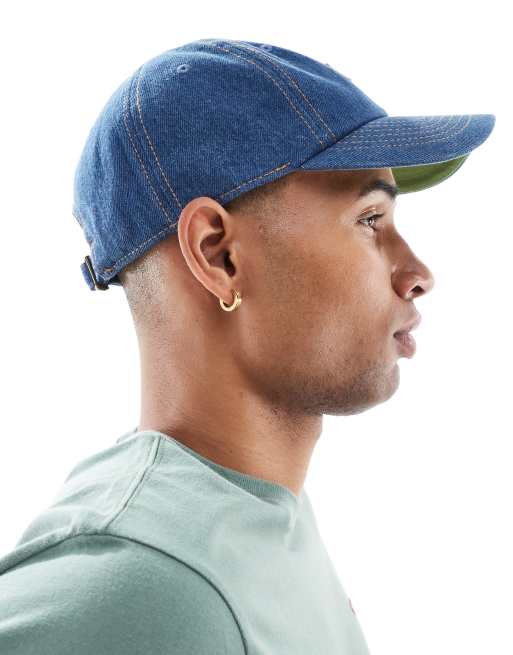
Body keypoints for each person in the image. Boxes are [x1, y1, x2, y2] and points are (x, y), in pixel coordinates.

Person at [0, 39, 495, 654]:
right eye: (370, 220)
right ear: (219, 255)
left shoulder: (258, 512)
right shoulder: (147, 591)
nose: (418, 273)